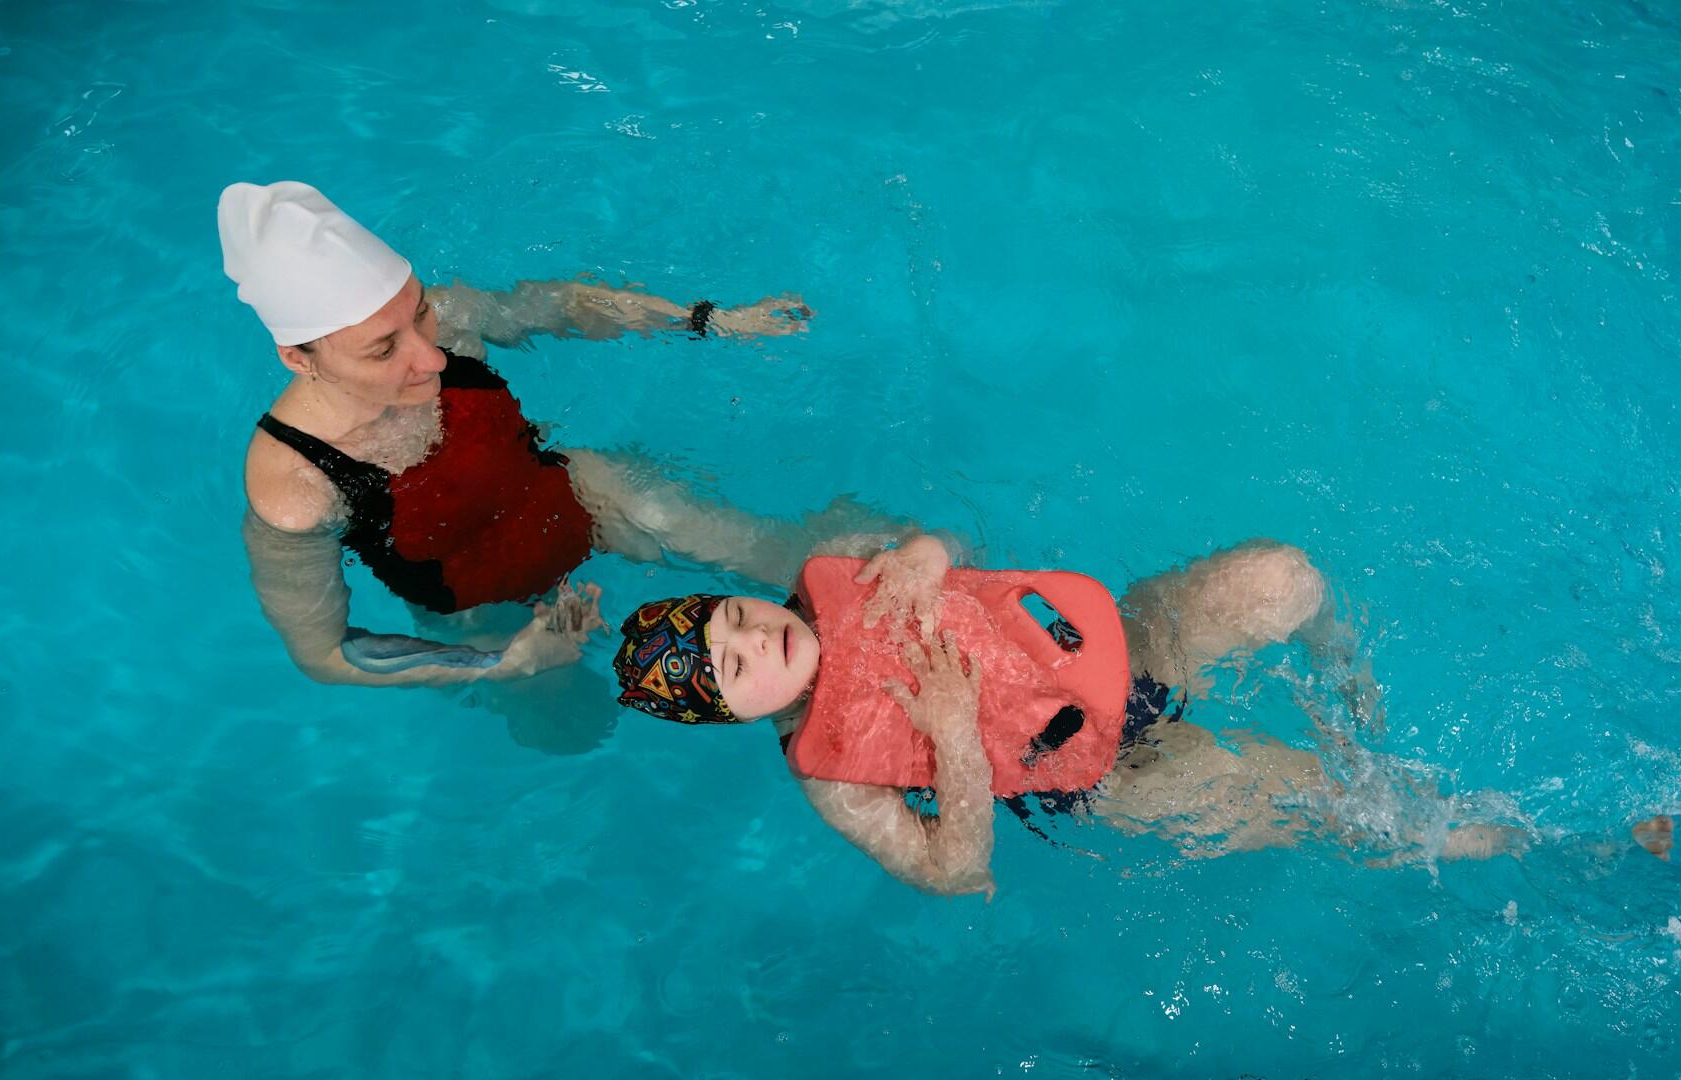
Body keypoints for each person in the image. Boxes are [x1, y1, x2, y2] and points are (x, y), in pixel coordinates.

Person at [227, 181, 882, 691]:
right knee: (569, 728)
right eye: (381, 350)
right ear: (298, 356)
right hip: (482, 609)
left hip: (583, 498)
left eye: (419, 309)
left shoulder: (445, 323)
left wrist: (709, 320)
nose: (430, 356)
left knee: (824, 566)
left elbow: (565, 304)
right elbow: (327, 655)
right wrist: (501, 664)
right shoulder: (297, 490)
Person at [609, 533, 1528, 896]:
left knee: (1282, 579)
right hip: (1100, 783)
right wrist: (956, 738)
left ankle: (1349, 679)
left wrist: (927, 553)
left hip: (1105, 656)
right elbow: (958, 875)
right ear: (732, 716)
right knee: (1317, 799)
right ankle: (1494, 844)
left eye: (734, 616)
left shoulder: (838, 568)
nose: (756, 640)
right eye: (733, 670)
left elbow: (959, 557)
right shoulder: (835, 782)